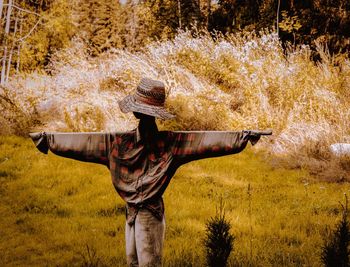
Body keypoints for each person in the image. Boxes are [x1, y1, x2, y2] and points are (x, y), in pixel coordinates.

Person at [30, 78, 263, 267]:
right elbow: (85, 143)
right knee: (132, 260)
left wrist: (241, 136)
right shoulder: (120, 142)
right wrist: (49, 139)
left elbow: (204, 140)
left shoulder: (170, 143)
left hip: (149, 213)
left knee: (148, 263)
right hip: (131, 212)